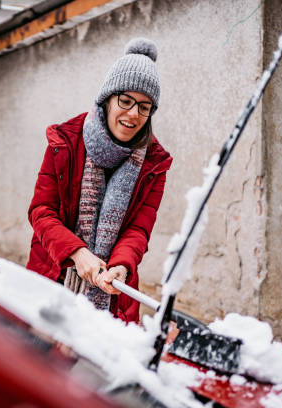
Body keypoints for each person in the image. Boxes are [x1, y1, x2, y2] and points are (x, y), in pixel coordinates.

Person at [26, 38, 173, 324]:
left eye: (144, 107)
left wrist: (120, 265)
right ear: (107, 99)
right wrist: (78, 254)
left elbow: (138, 229)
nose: (133, 114)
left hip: (113, 296)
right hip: (52, 280)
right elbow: (41, 212)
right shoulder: (65, 141)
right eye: (126, 101)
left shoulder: (154, 164)